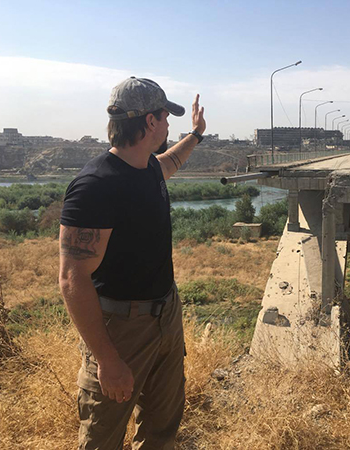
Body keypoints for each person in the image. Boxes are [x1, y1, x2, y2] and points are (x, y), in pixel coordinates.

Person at [59, 76, 206, 449]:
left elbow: (170, 161)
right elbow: (72, 278)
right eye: (165, 116)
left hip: (164, 317)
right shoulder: (96, 185)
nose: (168, 124)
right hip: (120, 329)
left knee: (162, 427)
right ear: (149, 122)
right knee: (103, 436)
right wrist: (106, 359)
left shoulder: (148, 168)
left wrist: (196, 134)